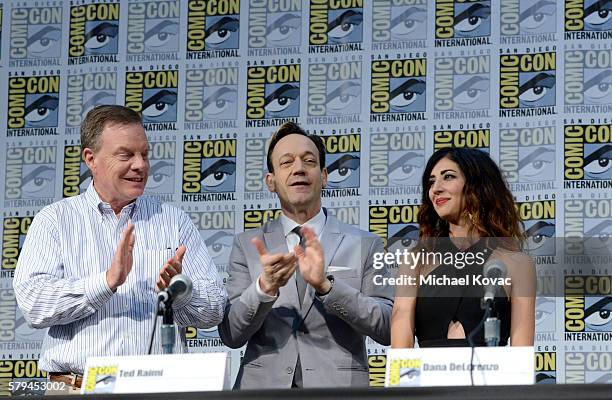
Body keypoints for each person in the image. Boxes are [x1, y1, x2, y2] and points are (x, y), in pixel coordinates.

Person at [13, 105, 226, 392]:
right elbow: (33, 303)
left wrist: (182, 291)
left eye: (144, 154)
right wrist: (106, 282)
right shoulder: (55, 221)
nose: (140, 165)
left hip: (158, 390)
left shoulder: (173, 221)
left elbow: (214, 311)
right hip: (76, 389)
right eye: (126, 154)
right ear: (91, 159)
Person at [218, 122, 394, 389]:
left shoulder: (365, 244)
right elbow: (231, 333)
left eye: (308, 161)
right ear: (271, 181)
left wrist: (327, 287)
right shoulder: (247, 245)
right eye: (286, 162)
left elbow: (388, 326)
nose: (298, 168)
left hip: (340, 392)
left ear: (323, 176)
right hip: (263, 393)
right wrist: (264, 288)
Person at [391, 147, 535, 348]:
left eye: (448, 177)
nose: (436, 189)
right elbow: (401, 330)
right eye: (431, 182)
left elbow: (522, 351)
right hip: (429, 377)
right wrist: (399, 379)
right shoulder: (416, 260)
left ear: (477, 185)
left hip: (492, 377)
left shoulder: (518, 264)